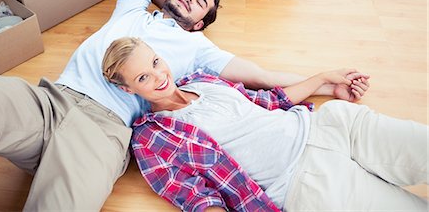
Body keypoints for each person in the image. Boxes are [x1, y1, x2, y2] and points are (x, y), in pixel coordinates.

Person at [0, 0, 366, 211]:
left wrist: (325, 80)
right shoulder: (130, 12)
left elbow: (262, 77)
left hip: (103, 130)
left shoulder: (199, 49)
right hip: (50, 98)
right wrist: (168, 2)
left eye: (199, 2)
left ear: (201, 24)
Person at [102, 37, 428, 212]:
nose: (160, 76)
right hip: (306, 182)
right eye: (143, 76)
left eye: (156, 62)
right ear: (127, 88)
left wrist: (323, 79)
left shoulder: (200, 79)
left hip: (330, 127)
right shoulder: (150, 138)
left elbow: (268, 101)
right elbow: (194, 197)